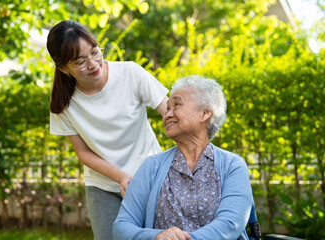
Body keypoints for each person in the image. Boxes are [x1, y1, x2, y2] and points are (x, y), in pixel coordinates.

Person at [46, 20, 169, 240]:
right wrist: (121, 178)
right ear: (64, 68)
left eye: (95, 52)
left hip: (150, 180)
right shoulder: (62, 104)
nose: (93, 64)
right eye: (80, 62)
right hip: (102, 187)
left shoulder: (131, 73)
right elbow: (83, 154)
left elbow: (171, 114)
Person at [113, 75, 253, 240]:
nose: (167, 115)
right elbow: (122, 226)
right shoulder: (151, 166)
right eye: (167, 109)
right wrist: (156, 236)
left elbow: (230, 224)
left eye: (176, 105)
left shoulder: (232, 166)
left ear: (205, 113)